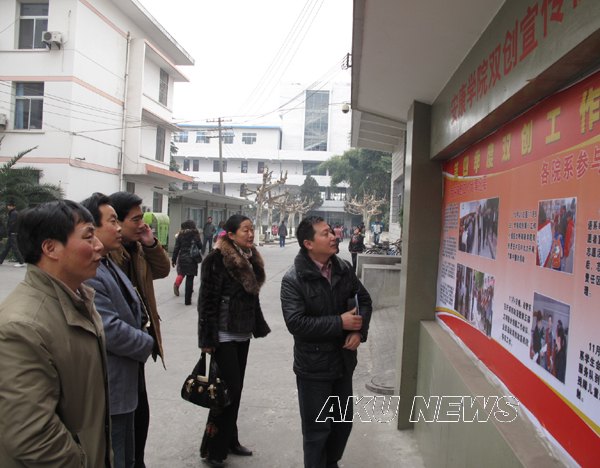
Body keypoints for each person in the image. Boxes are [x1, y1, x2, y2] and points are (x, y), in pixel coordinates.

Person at [0, 200, 112, 466]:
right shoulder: (22, 326)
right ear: (50, 248)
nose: (99, 245)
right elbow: (32, 435)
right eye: (88, 236)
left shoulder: (78, 298)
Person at [280, 215, 372, 468]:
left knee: (342, 423)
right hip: (313, 367)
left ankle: (331, 463)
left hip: (343, 362)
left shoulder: (343, 268)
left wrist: (358, 332)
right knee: (317, 430)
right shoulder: (293, 279)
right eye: (325, 234)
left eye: (332, 231)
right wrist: (339, 323)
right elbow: (296, 323)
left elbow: (364, 301)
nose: (333, 237)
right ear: (308, 244)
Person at [82, 193, 155, 468]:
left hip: (126, 379)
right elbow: (109, 329)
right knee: (117, 454)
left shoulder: (110, 261)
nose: (118, 228)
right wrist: (146, 341)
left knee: (129, 451)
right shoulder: (92, 271)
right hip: (112, 383)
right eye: (112, 221)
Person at [198, 214, 271, 467]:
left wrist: (257, 324)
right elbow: (207, 301)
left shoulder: (250, 256)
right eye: (245, 230)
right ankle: (213, 449)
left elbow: (252, 297)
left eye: (252, 229)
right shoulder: (216, 259)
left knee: (234, 392)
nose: (250, 234)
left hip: (242, 332)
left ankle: (230, 440)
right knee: (227, 392)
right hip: (223, 334)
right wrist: (207, 338)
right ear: (230, 234)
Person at [108, 191, 171, 468]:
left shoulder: (137, 249)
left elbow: (163, 270)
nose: (142, 224)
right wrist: (144, 342)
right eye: (135, 219)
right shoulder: (107, 257)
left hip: (139, 340)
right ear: (117, 222)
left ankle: (138, 461)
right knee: (127, 416)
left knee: (140, 411)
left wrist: (151, 243)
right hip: (127, 345)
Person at [172, 220, 203, 305]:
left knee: (182, 274)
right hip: (192, 259)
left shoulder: (180, 235)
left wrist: (173, 259)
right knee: (190, 278)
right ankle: (187, 300)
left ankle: (177, 285)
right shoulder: (195, 234)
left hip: (182, 258)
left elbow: (176, 248)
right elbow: (200, 246)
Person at [0, 200, 25, 267]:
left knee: (15, 248)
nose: (9, 207)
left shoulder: (14, 213)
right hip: (13, 233)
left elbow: (12, 224)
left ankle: (21, 262)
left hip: (13, 233)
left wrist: (9, 231)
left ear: (14, 207)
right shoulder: (13, 213)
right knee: (6, 248)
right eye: (9, 205)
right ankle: (0, 260)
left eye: (11, 206)